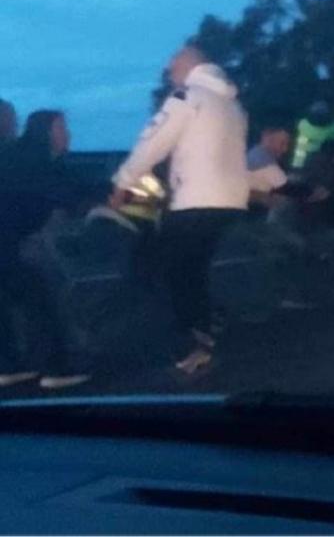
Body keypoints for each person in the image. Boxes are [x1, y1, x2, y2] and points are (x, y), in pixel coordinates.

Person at [110, 45, 249, 375]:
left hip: (195, 200)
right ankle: (205, 326)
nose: (169, 65)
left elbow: (154, 140)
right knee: (192, 270)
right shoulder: (233, 106)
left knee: (155, 266)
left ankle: (188, 340)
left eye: (174, 60)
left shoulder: (188, 96)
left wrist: (123, 181)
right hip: (229, 202)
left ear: (190, 65)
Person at [0, 110, 91, 389]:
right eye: (61, 128)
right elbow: (61, 192)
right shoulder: (27, 159)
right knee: (39, 297)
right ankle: (55, 369)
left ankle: (10, 365)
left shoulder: (18, 156)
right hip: (8, 240)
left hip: (9, 239)